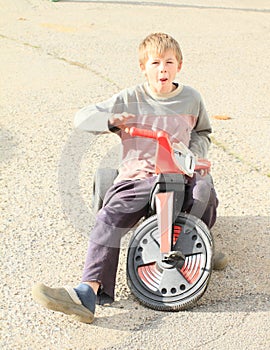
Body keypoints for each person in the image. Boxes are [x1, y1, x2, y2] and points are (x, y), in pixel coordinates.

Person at [32, 32, 228, 324]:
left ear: (179, 66)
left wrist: (192, 156)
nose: (162, 68)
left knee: (204, 192)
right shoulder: (129, 99)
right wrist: (111, 121)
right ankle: (87, 293)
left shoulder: (191, 98)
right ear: (143, 67)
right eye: (155, 62)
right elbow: (82, 118)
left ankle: (201, 250)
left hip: (180, 172)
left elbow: (203, 132)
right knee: (108, 217)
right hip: (140, 175)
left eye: (169, 62)